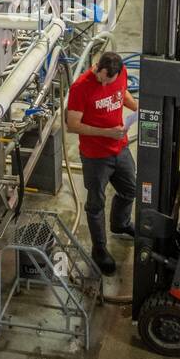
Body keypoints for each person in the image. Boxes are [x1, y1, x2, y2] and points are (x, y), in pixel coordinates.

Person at [66, 50, 139, 276]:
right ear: (97, 67)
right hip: (95, 156)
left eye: (110, 79)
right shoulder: (80, 87)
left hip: (119, 147)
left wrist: (136, 107)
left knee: (130, 189)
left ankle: (120, 223)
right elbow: (72, 125)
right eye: (102, 77)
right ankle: (99, 249)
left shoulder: (121, 73)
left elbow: (121, 92)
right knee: (96, 203)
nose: (105, 82)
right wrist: (106, 132)